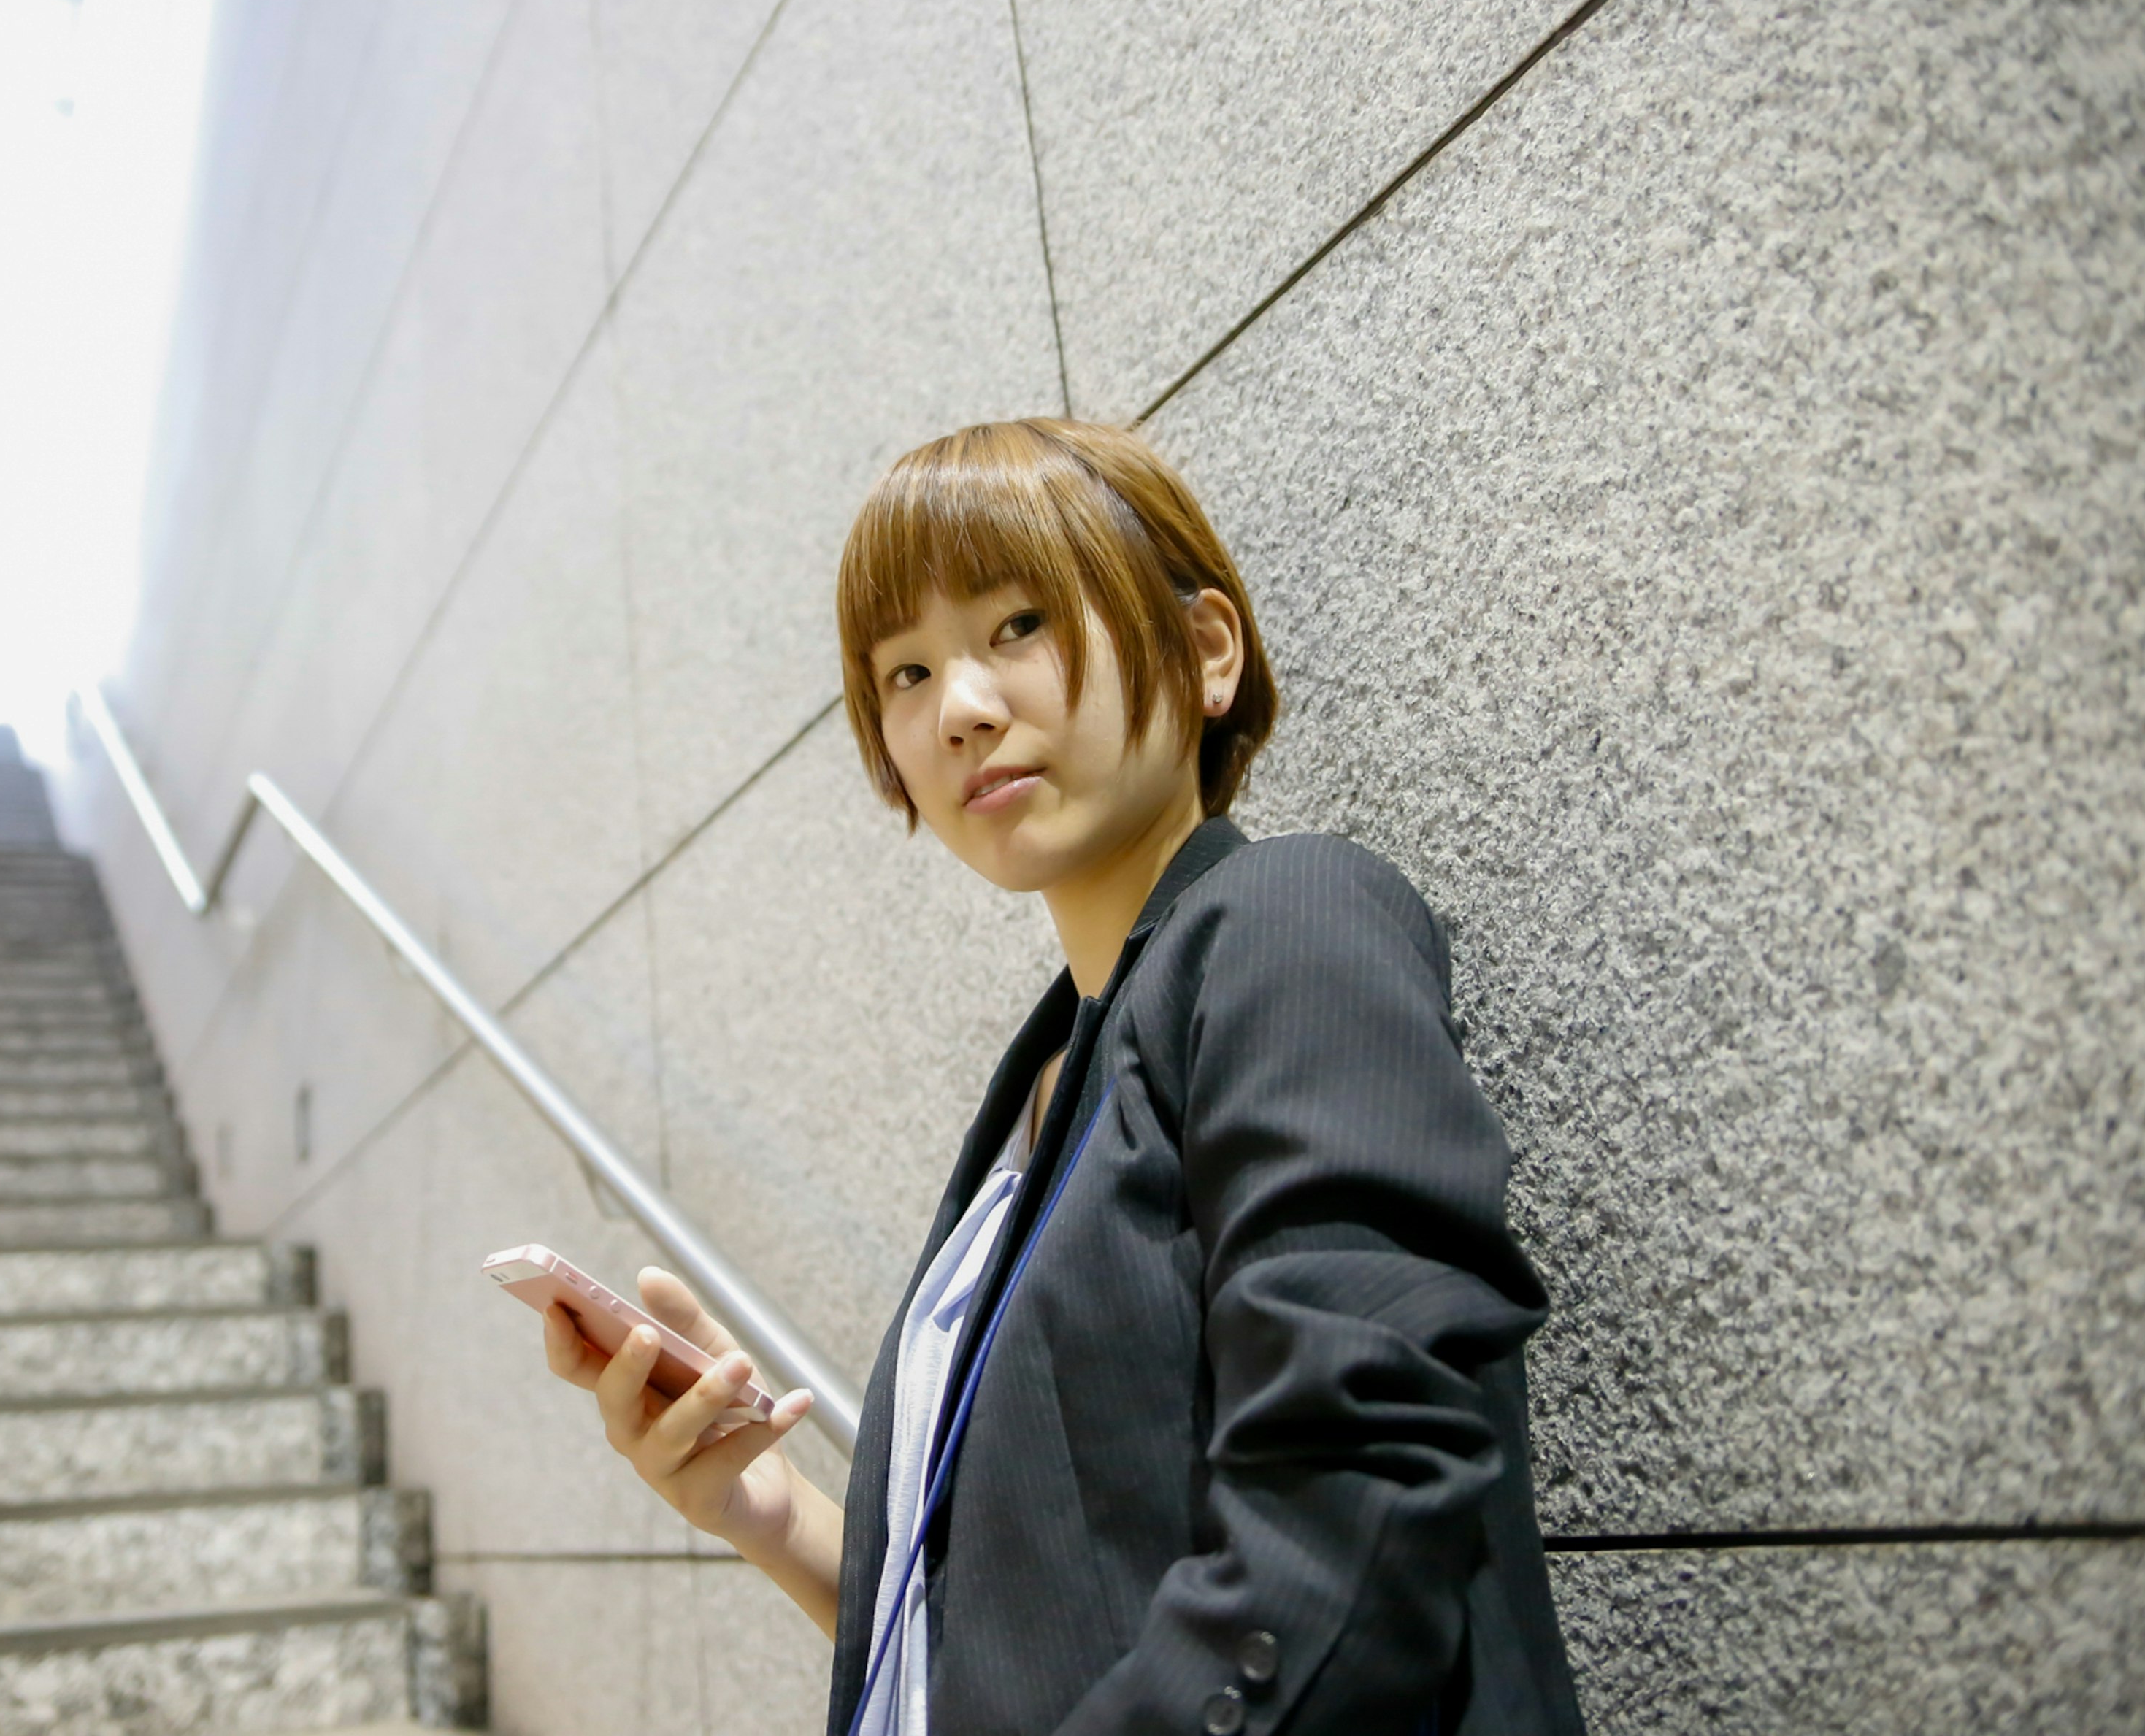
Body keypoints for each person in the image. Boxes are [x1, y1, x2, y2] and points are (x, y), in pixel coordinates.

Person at [540, 418, 1584, 1735]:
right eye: (906, 671)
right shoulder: (1045, 1077)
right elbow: (1035, 1634)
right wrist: (767, 1513)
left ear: (1207, 652)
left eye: (1018, 625)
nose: (961, 709)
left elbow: (1360, 1496)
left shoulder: (1283, 924)